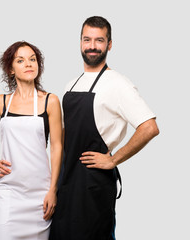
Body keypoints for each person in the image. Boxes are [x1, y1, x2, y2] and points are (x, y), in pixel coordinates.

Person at [49, 16, 160, 240]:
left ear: (109, 45)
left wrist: (113, 159)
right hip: (67, 180)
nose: (92, 46)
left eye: (99, 40)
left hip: (93, 184)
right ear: (80, 42)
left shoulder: (118, 84)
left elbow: (149, 127)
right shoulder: (72, 83)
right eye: (87, 39)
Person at [0, 41, 62, 240]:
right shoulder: (1, 102)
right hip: (10, 194)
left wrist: (53, 190)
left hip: (40, 195)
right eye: (21, 60)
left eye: (32, 59)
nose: (28, 64)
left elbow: (56, 146)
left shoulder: (50, 101)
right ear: (11, 69)